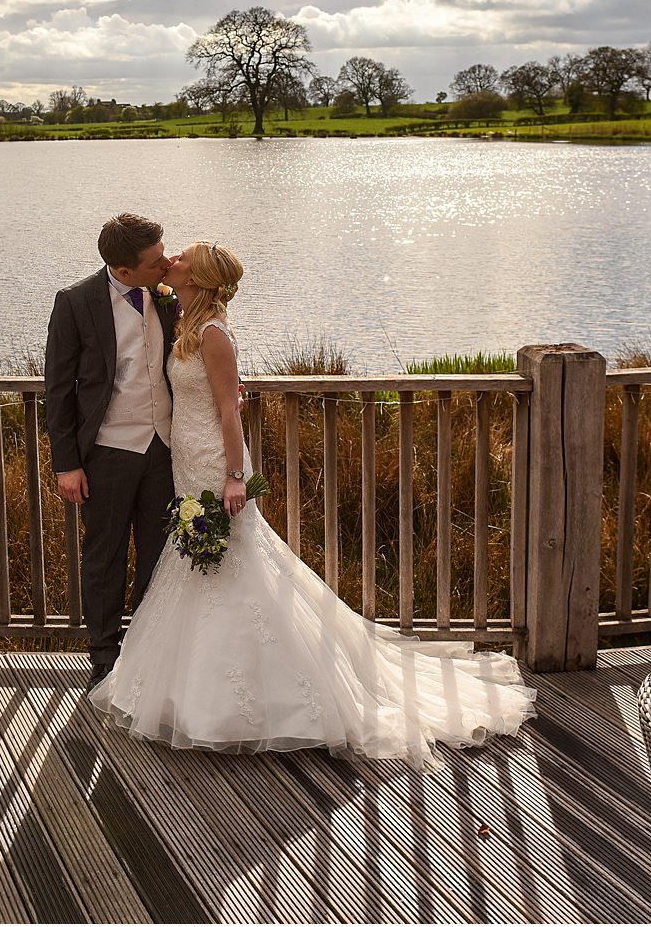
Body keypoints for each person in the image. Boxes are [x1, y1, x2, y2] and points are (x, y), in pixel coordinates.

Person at [89, 240, 537, 768]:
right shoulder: (183, 316)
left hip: (215, 462)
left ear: (200, 278)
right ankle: (188, 691)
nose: (172, 262)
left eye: (181, 258)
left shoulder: (212, 334)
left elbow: (231, 411)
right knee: (200, 565)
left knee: (237, 565)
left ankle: (261, 699)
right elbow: (138, 289)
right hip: (185, 462)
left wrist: (234, 476)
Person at [44, 213, 179, 689]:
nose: (166, 263)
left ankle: (147, 651)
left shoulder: (168, 297)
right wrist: (67, 463)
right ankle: (103, 657)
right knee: (104, 556)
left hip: (163, 448)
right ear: (122, 270)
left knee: (159, 555)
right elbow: (58, 391)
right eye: (155, 260)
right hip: (106, 452)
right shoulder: (76, 303)